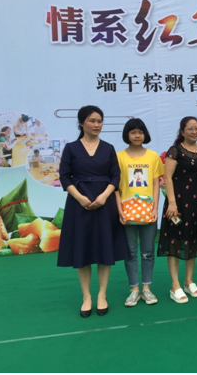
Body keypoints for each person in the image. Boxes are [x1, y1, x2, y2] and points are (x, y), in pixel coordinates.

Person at [57, 105, 129, 318]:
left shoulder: (108, 148)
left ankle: (102, 295)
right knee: (83, 249)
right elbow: (64, 177)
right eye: (92, 121)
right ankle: (87, 296)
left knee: (105, 249)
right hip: (79, 205)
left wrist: (105, 196)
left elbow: (115, 176)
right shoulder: (71, 148)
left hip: (104, 204)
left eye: (99, 121)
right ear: (81, 123)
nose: (97, 125)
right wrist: (80, 198)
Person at [157, 116, 197, 304]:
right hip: (177, 203)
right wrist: (172, 203)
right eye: (190, 129)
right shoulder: (175, 151)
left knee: (192, 240)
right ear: (182, 131)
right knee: (174, 241)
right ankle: (175, 285)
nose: (194, 132)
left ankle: (188, 281)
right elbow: (168, 178)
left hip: (196, 203)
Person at [116, 118, 164, 307]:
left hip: (148, 211)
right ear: (127, 134)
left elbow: (155, 184)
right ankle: (134, 289)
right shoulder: (119, 157)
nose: (137, 135)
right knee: (130, 252)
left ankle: (146, 288)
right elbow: (115, 187)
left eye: (140, 131)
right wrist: (119, 210)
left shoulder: (152, 156)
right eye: (133, 132)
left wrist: (155, 208)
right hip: (127, 211)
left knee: (148, 251)